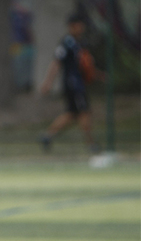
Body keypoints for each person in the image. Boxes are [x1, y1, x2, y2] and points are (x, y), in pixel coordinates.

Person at [40, 14, 103, 153]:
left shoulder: (80, 43)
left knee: (71, 114)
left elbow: (86, 65)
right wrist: (48, 82)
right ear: (73, 26)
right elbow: (56, 62)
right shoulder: (67, 43)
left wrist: (98, 75)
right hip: (73, 84)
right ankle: (91, 144)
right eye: (80, 24)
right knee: (84, 112)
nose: (82, 27)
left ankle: (47, 136)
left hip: (78, 83)